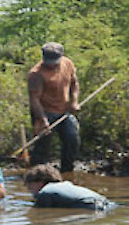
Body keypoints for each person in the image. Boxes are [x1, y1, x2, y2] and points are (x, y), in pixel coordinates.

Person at [27, 42, 81, 172]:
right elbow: (34, 99)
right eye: (48, 61)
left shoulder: (67, 63)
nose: (51, 64)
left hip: (65, 111)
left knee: (72, 140)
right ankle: (38, 174)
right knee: (42, 146)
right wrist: (42, 119)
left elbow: (74, 84)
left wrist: (74, 101)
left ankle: (67, 172)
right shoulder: (36, 74)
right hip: (44, 111)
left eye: (54, 61)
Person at [24, 164, 113, 210]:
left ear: (40, 182)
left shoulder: (45, 193)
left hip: (90, 207)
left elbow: (38, 213)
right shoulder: (66, 184)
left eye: (29, 184)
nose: (27, 188)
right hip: (105, 203)